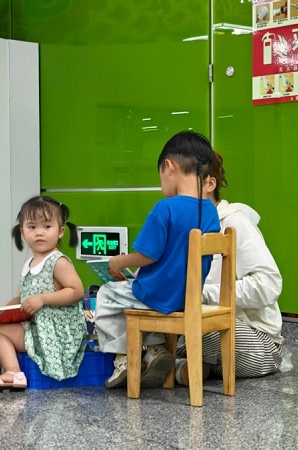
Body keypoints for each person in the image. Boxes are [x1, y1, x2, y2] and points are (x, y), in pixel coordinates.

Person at [95, 130, 221, 389]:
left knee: (107, 294)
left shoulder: (165, 208)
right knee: (134, 297)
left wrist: (120, 262)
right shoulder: (210, 210)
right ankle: (154, 350)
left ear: (169, 167)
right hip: (188, 297)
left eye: (160, 175)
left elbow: (147, 255)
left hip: (156, 294)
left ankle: (124, 359)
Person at [175, 151, 284, 385]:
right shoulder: (184, 227)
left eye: (182, 184)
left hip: (258, 342)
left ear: (209, 184)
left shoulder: (235, 222)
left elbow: (269, 285)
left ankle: (174, 364)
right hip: (209, 330)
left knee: (199, 327)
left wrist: (202, 293)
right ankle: (188, 364)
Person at [0, 196, 87, 391]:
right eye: (32, 227)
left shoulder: (58, 262)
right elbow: (21, 298)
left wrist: (43, 299)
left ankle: (12, 373)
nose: (39, 232)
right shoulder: (30, 264)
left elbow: (76, 291)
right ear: (22, 232)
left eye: (47, 226)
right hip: (40, 327)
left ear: (60, 232)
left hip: (56, 336)